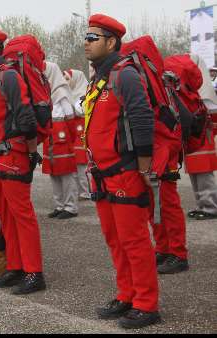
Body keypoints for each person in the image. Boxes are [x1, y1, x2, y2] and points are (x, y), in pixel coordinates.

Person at [83, 15, 161, 328]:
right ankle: (126, 294)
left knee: (135, 242)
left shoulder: (124, 74)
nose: (86, 42)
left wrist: (143, 168)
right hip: (102, 174)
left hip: (124, 172)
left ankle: (146, 303)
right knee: (114, 240)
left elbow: (142, 120)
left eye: (93, 38)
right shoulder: (99, 77)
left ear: (112, 42)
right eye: (86, 37)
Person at [0, 27, 46, 295]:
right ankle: (15, 267)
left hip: (12, 155)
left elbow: (26, 117)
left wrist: (27, 151)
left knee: (22, 215)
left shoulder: (9, 77)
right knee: (5, 215)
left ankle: (34, 272)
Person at [43, 62, 79, 220]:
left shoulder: (62, 92)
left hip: (62, 139)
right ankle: (59, 205)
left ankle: (71, 207)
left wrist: (66, 138)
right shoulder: (44, 92)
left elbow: (71, 120)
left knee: (66, 174)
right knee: (53, 173)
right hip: (50, 138)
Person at [185, 54, 217, 221]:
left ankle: (210, 207)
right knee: (195, 175)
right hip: (193, 140)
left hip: (204, 140)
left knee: (204, 177)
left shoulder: (207, 94)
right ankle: (201, 205)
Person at [64, 69, 91, 200]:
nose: (65, 82)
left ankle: (86, 191)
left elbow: (82, 112)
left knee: (82, 167)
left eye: (68, 79)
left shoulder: (84, 94)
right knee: (74, 167)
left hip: (81, 134)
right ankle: (78, 192)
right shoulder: (67, 95)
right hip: (72, 134)